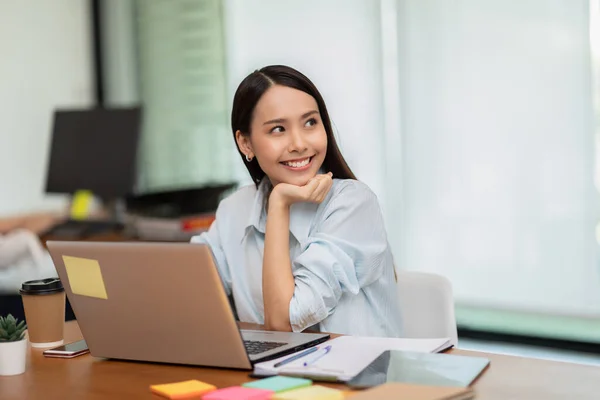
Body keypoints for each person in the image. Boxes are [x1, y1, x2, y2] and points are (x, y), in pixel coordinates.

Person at [192, 65, 402, 337]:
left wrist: (279, 204)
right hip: (269, 375)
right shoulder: (235, 209)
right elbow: (186, 293)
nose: (299, 143)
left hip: (355, 376)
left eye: (310, 123)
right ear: (246, 144)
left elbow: (284, 324)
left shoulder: (353, 204)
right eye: (278, 129)